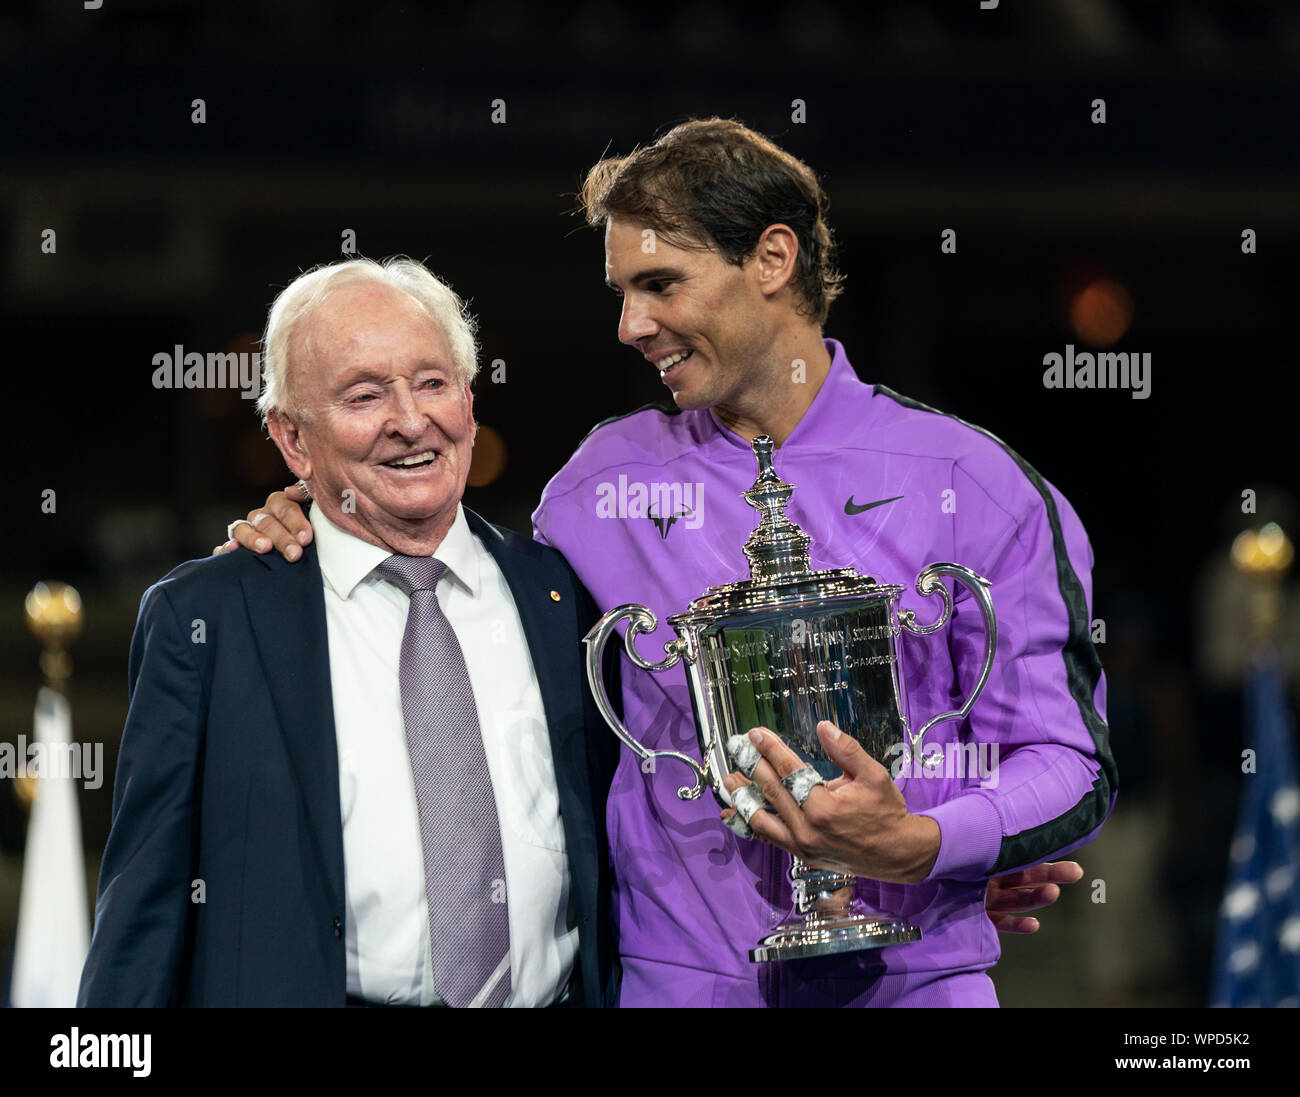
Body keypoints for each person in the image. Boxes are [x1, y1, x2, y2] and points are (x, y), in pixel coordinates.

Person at [224, 119, 1111, 1006]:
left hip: (913, 982)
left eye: (659, 284)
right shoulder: (596, 490)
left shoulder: (976, 485)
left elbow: (1069, 760)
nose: (629, 325)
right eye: (621, 291)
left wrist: (934, 840)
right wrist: (315, 513)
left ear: (771, 259)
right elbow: (457, 602)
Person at [79, 258, 618, 1007]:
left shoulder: (565, 597)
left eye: (432, 383)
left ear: (468, 398)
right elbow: (143, 913)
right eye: (364, 395)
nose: (409, 419)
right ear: (292, 439)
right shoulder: (209, 619)